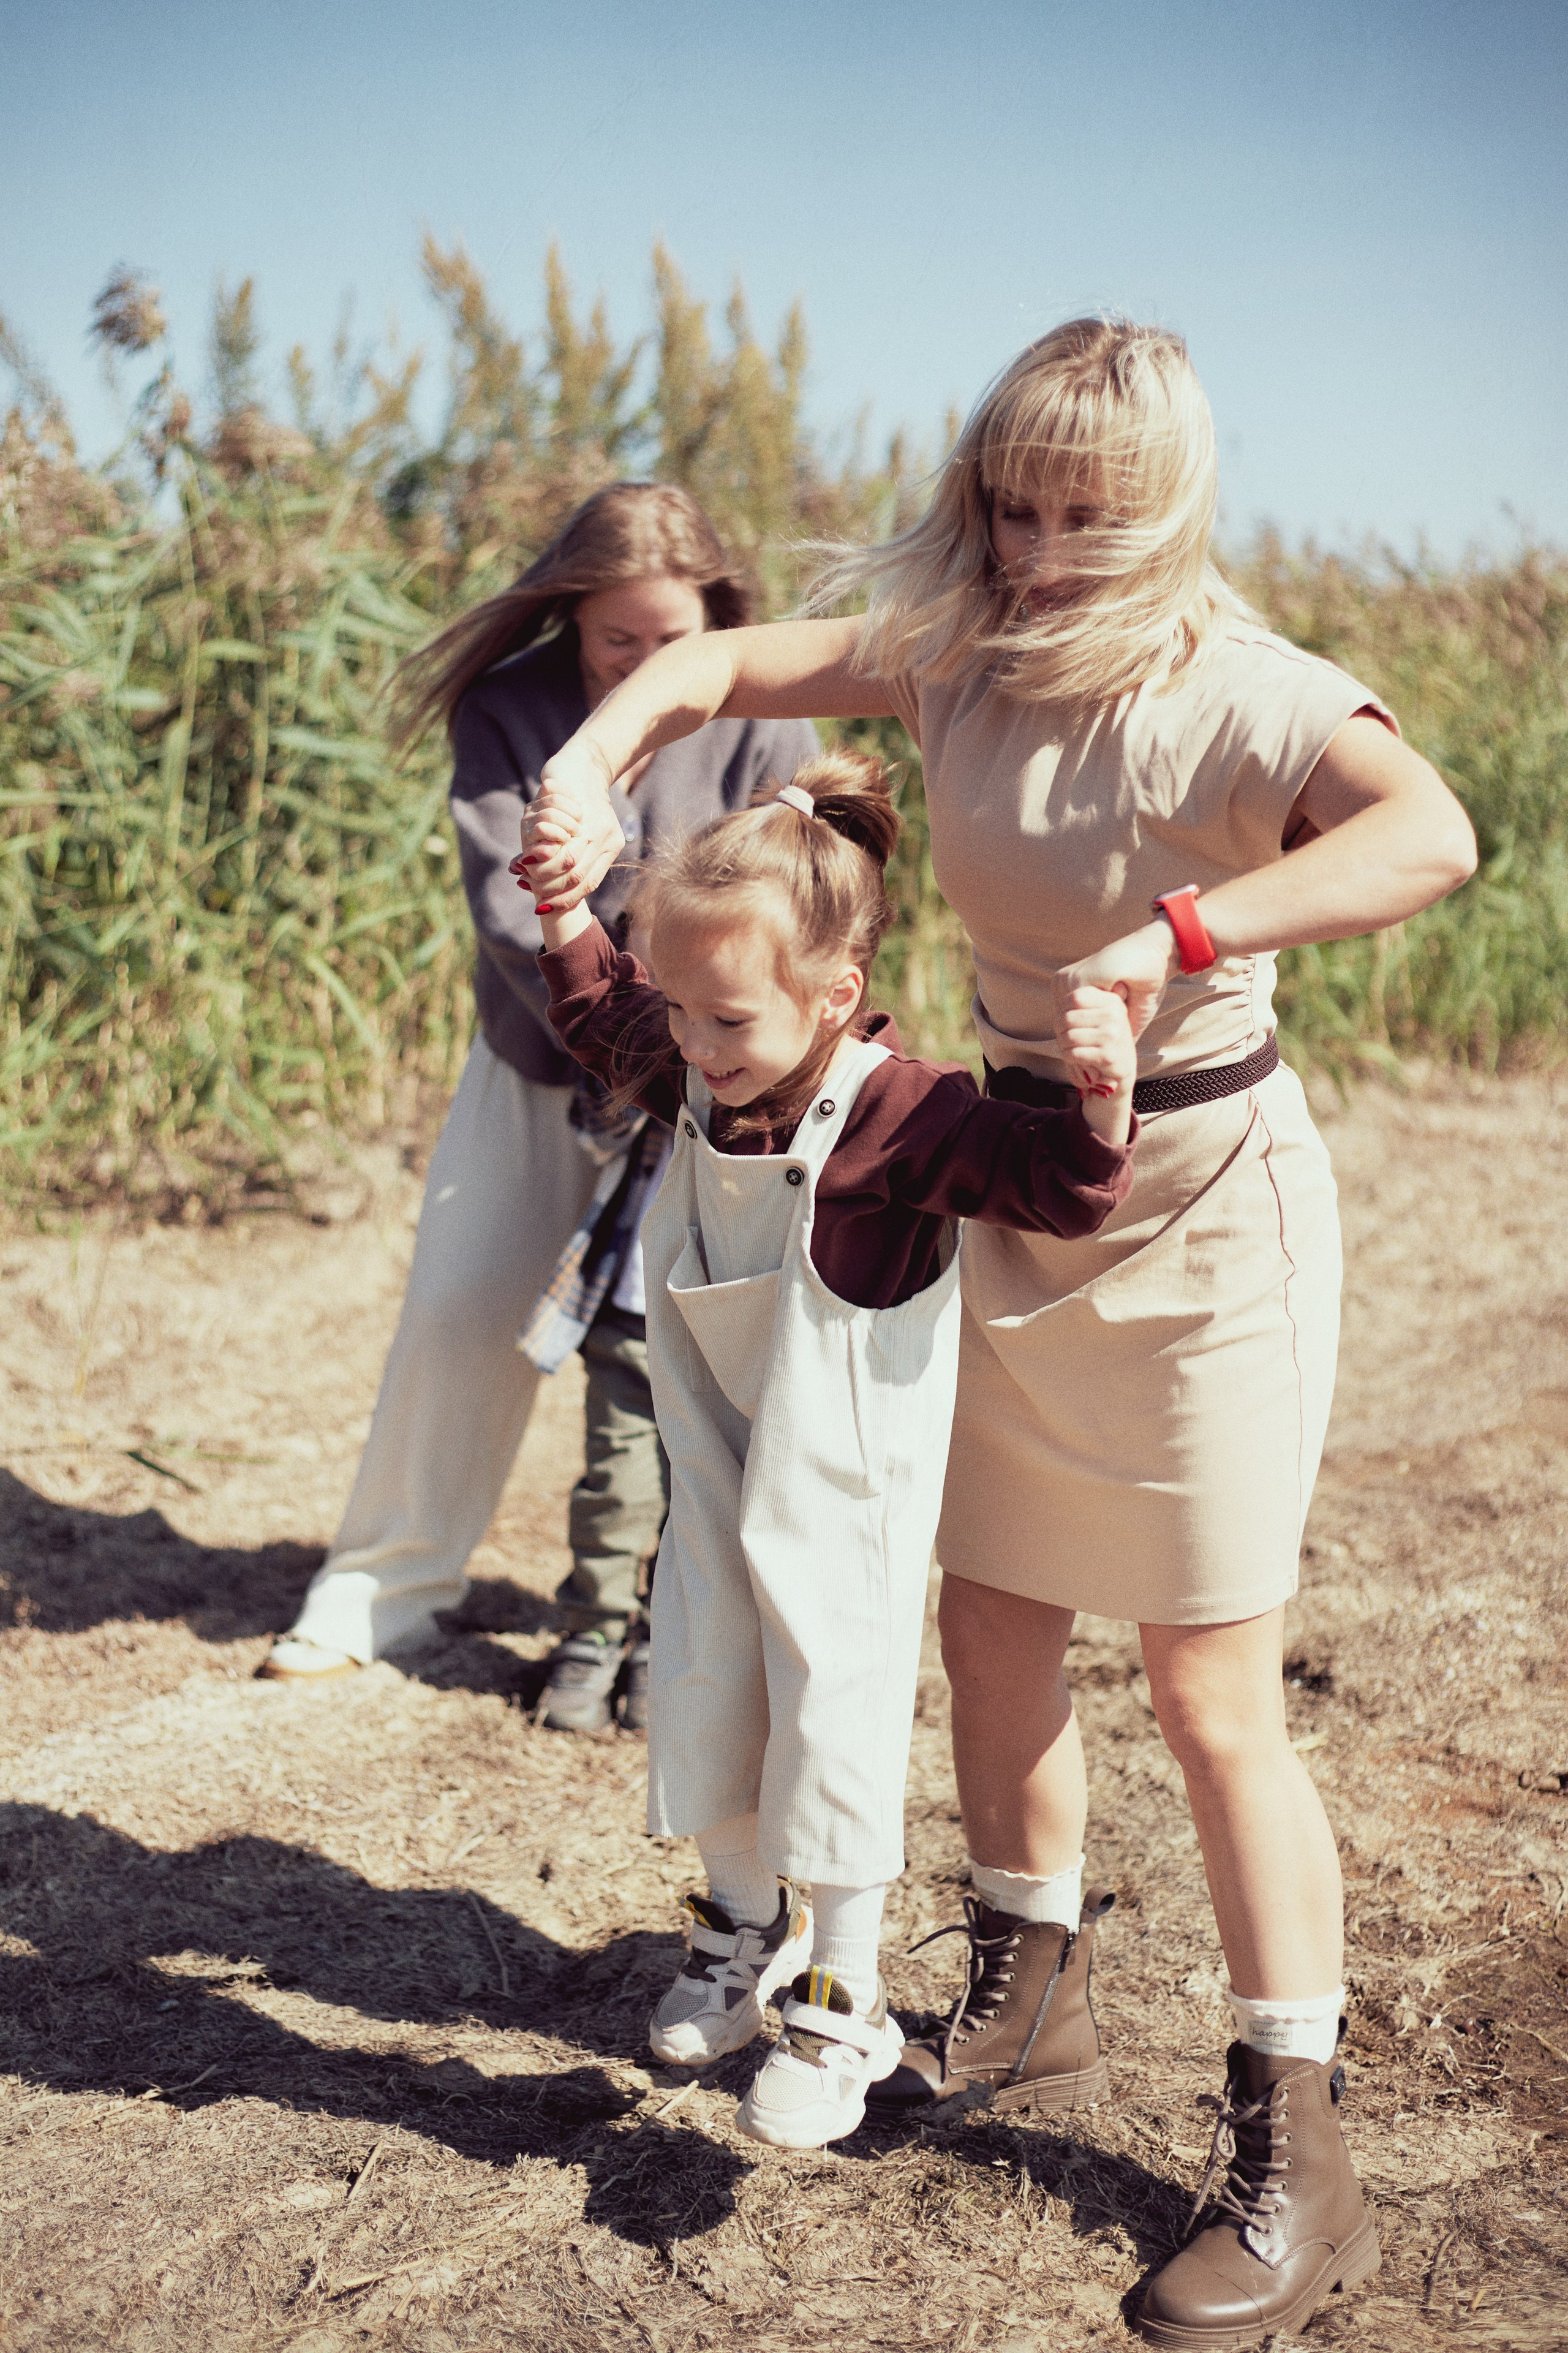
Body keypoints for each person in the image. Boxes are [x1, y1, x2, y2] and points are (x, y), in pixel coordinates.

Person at [516, 322, 1477, 2341]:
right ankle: (1024, 1999)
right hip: (1010, 1199)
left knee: (1215, 1702)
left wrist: (1191, 932)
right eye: (1015, 505)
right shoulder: (962, 640)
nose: (1043, 551)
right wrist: (597, 768)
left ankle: (1302, 2159)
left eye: (1088, 518)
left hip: (1204, 1215)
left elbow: (1431, 838)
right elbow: (714, 665)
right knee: (986, 1623)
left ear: (1171, 510)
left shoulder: (1245, 691)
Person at [524, 749, 1139, 2150]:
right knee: (706, 1665)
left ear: (833, 997)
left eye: (723, 1019)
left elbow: (1051, 1186)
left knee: (832, 1700)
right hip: (720, 1456)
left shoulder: (893, 1110)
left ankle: (843, 1992)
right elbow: (602, 1015)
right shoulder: (695, 1060)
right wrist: (568, 910)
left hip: (844, 1485)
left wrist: (1100, 1098)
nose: (687, 1043)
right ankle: (741, 1929)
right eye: (676, 1009)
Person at [258, 483, 820, 1732]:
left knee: (693, 1361)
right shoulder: (508, 708)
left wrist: (698, 1033)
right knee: (458, 1306)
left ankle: (681, 1621)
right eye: (614, 638)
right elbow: (516, 912)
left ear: (715, 615)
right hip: (537, 1054)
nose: (641, 662)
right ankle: (381, 1584)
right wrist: (651, 990)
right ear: (570, 620)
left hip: (706, 1085)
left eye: (668, 636)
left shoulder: (769, 722)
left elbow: (793, 905)